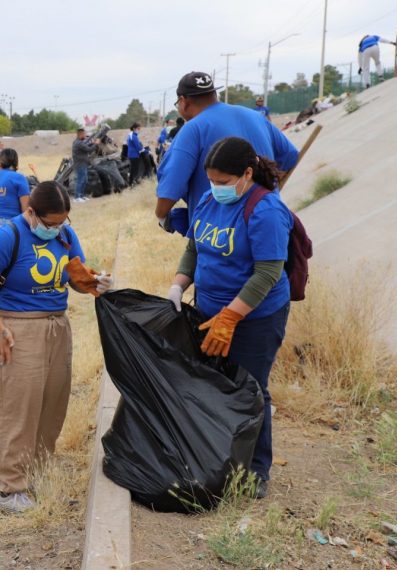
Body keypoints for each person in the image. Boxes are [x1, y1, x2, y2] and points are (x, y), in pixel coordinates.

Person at [0, 181, 111, 513]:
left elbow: (74, 276)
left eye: (63, 222)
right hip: (18, 328)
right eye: (51, 223)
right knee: (17, 408)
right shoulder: (8, 237)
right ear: (31, 213)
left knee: (51, 403)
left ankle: (37, 473)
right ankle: (10, 488)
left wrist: (94, 282)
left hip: (56, 325)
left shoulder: (65, 235)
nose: (58, 228)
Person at [166, 136, 293, 499]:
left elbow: (267, 273)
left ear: (247, 174)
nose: (216, 188)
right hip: (208, 309)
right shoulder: (208, 200)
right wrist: (178, 286)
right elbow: (194, 248)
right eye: (212, 181)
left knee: (251, 389)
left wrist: (231, 317)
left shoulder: (266, 211)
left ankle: (255, 470)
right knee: (214, 385)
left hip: (256, 317)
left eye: (223, 182)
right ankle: (220, 457)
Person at [155, 71, 299, 234]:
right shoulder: (255, 116)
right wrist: (266, 189)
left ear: (183, 102)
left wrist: (162, 217)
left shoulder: (192, 129)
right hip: (268, 222)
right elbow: (290, 155)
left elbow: (171, 186)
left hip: (220, 235)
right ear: (214, 94)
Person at [0, 148, 30, 236]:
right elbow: (25, 209)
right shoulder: (19, 178)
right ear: (16, 162)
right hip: (9, 223)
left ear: (0, 163)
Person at [70, 127, 97, 203]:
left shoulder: (80, 142)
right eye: (84, 134)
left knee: (84, 180)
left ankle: (81, 195)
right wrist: (95, 144)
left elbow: (86, 145)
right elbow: (89, 149)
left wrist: (92, 143)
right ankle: (77, 197)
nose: (85, 135)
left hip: (83, 163)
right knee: (80, 180)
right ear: (80, 134)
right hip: (80, 164)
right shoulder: (78, 143)